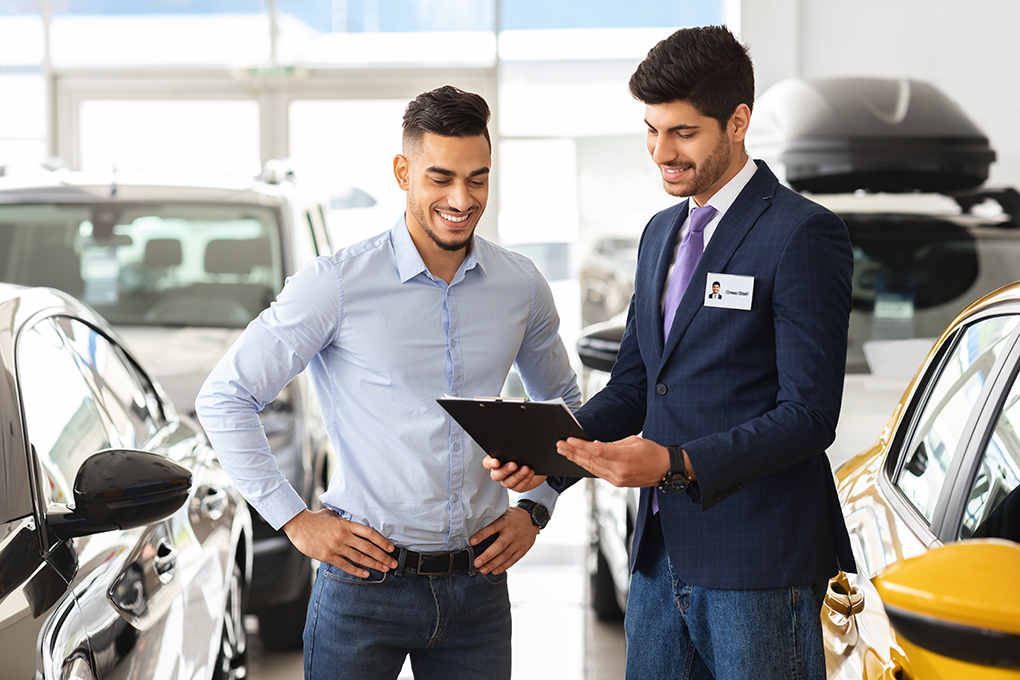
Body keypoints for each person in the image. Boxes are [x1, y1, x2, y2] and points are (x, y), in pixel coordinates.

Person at [489, 25, 856, 680]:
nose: (662, 151)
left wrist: (675, 463)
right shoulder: (660, 235)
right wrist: (548, 455)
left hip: (757, 565)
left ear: (737, 122)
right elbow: (635, 387)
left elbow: (809, 415)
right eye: (652, 131)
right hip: (659, 560)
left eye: (682, 132)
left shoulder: (800, 234)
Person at [196, 85, 579, 680]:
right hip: (362, 588)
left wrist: (538, 505)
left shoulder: (521, 285)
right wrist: (295, 521)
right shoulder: (337, 284)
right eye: (440, 177)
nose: (461, 198)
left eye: (477, 179)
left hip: (479, 587)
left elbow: (565, 406)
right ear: (403, 171)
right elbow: (225, 397)